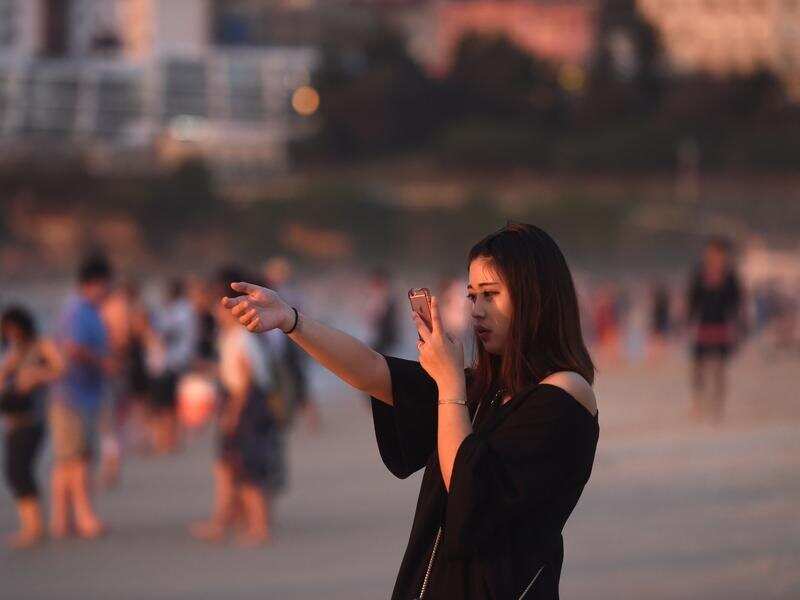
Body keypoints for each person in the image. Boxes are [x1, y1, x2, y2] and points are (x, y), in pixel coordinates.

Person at [222, 223, 599, 598]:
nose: (477, 311)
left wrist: (449, 385)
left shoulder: (565, 396)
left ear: (534, 297)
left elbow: (473, 492)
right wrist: (291, 320)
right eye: (472, 296)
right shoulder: (484, 388)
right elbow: (372, 370)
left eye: (491, 295)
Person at [191, 270, 284, 546]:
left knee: (248, 467)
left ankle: (259, 527)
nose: (217, 315)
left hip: (248, 406)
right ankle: (225, 521)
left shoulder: (241, 338)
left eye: (221, 310)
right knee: (231, 465)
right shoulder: (231, 338)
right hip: (245, 402)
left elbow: (245, 381)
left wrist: (232, 414)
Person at [50, 255, 114, 539]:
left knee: (70, 459)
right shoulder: (77, 310)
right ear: (94, 283)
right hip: (71, 395)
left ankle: (63, 520)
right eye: (107, 285)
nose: (109, 291)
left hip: (81, 395)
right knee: (77, 459)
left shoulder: (87, 309)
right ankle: (83, 516)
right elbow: (73, 348)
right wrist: (103, 362)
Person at [1, 307, 63, 548]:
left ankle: (34, 528)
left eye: (14, 328)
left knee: (20, 470)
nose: (11, 333)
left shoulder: (42, 344)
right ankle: (30, 526)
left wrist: (36, 374)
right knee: (14, 472)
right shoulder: (12, 351)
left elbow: (60, 369)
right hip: (13, 418)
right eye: (7, 330)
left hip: (33, 418)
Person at [687, 237, 744, 422]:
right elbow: (692, 299)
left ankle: (717, 406)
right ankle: (698, 402)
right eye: (710, 252)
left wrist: (736, 326)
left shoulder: (730, 275)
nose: (712, 256)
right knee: (698, 367)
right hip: (703, 324)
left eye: (716, 252)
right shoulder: (699, 273)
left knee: (719, 369)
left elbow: (736, 302)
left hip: (721, 325)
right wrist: (688, 322)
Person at [150, 279, 197, 454]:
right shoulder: (184, 309)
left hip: (174, 362)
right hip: (176, 360)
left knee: (168, 405)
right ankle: (169, 439)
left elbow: (166, 332)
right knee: (169, 405)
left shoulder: (180, 310)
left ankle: (169, 440)